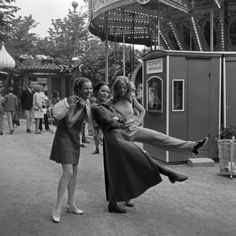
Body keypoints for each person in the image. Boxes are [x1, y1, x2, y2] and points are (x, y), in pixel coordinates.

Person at [91, 81, 188, 214]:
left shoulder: (107, 105)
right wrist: (116, 120)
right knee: (140, 157)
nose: (105, 94)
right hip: (114, 140)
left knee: (118, 170)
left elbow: (121, 118)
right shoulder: (96, 107)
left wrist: (117, 119)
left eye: (107, 91)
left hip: (120, 137)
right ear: (96, 92)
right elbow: (111, 122)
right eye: (102, 91)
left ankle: (113, 203)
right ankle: (170, 174)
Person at [111, 76, 208, 155]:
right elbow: (107, 120)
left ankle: (192, 146)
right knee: (138, 157)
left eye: (124, 88)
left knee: (160, 137)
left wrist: (137, 121)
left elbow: (142, 110)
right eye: (120, 88)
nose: (122, 90)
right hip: (122, 135)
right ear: (115, 88)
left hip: (134, 129)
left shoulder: (130, 99)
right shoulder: (110, 103)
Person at [49, 77, 93, 223]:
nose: (89, 91)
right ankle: (57, 207)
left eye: (90, 88)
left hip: (74, 140)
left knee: (74, 172)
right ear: (78, 89)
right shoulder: (73, 100)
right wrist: (80, 108)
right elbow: (69, 122)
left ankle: (71, 203)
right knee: (68, 172)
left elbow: (86, 123)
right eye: (86, 88)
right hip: (64, 138)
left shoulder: (87, 102)